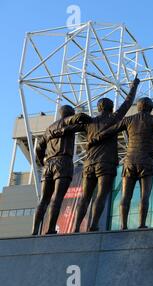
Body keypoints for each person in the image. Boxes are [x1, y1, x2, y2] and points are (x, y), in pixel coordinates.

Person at [50, 76, 141, 232]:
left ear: (99, 108)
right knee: (100, 196)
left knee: (85, 197)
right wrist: (134, 85)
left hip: (88, 164)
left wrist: (57, 131)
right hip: (105, 164)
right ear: (111, 108)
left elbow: (69, 128)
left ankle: (77, 227)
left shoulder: (89, 122)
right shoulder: (114, 117)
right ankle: (93, 225)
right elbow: (127, 102)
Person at [89, 97, 153, 230]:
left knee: (125, 196)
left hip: (129, 161)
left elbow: (110, 131)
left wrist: (95, 138)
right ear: (150, 108)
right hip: (147, 161)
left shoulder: (128, 120)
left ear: (138, 107)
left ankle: (123, 225)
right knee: (145, 196)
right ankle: (142, 224)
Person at [32, 106, 91, 235]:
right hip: (63, 162)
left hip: (48, 164)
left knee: (43, 199)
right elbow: (80, 117)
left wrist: (41, 161)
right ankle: (51, 229)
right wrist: (88, 119)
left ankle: (35, 230)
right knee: (57, 198)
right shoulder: (67, 121)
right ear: (70, 114)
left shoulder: (49, 129)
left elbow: (38, 148)